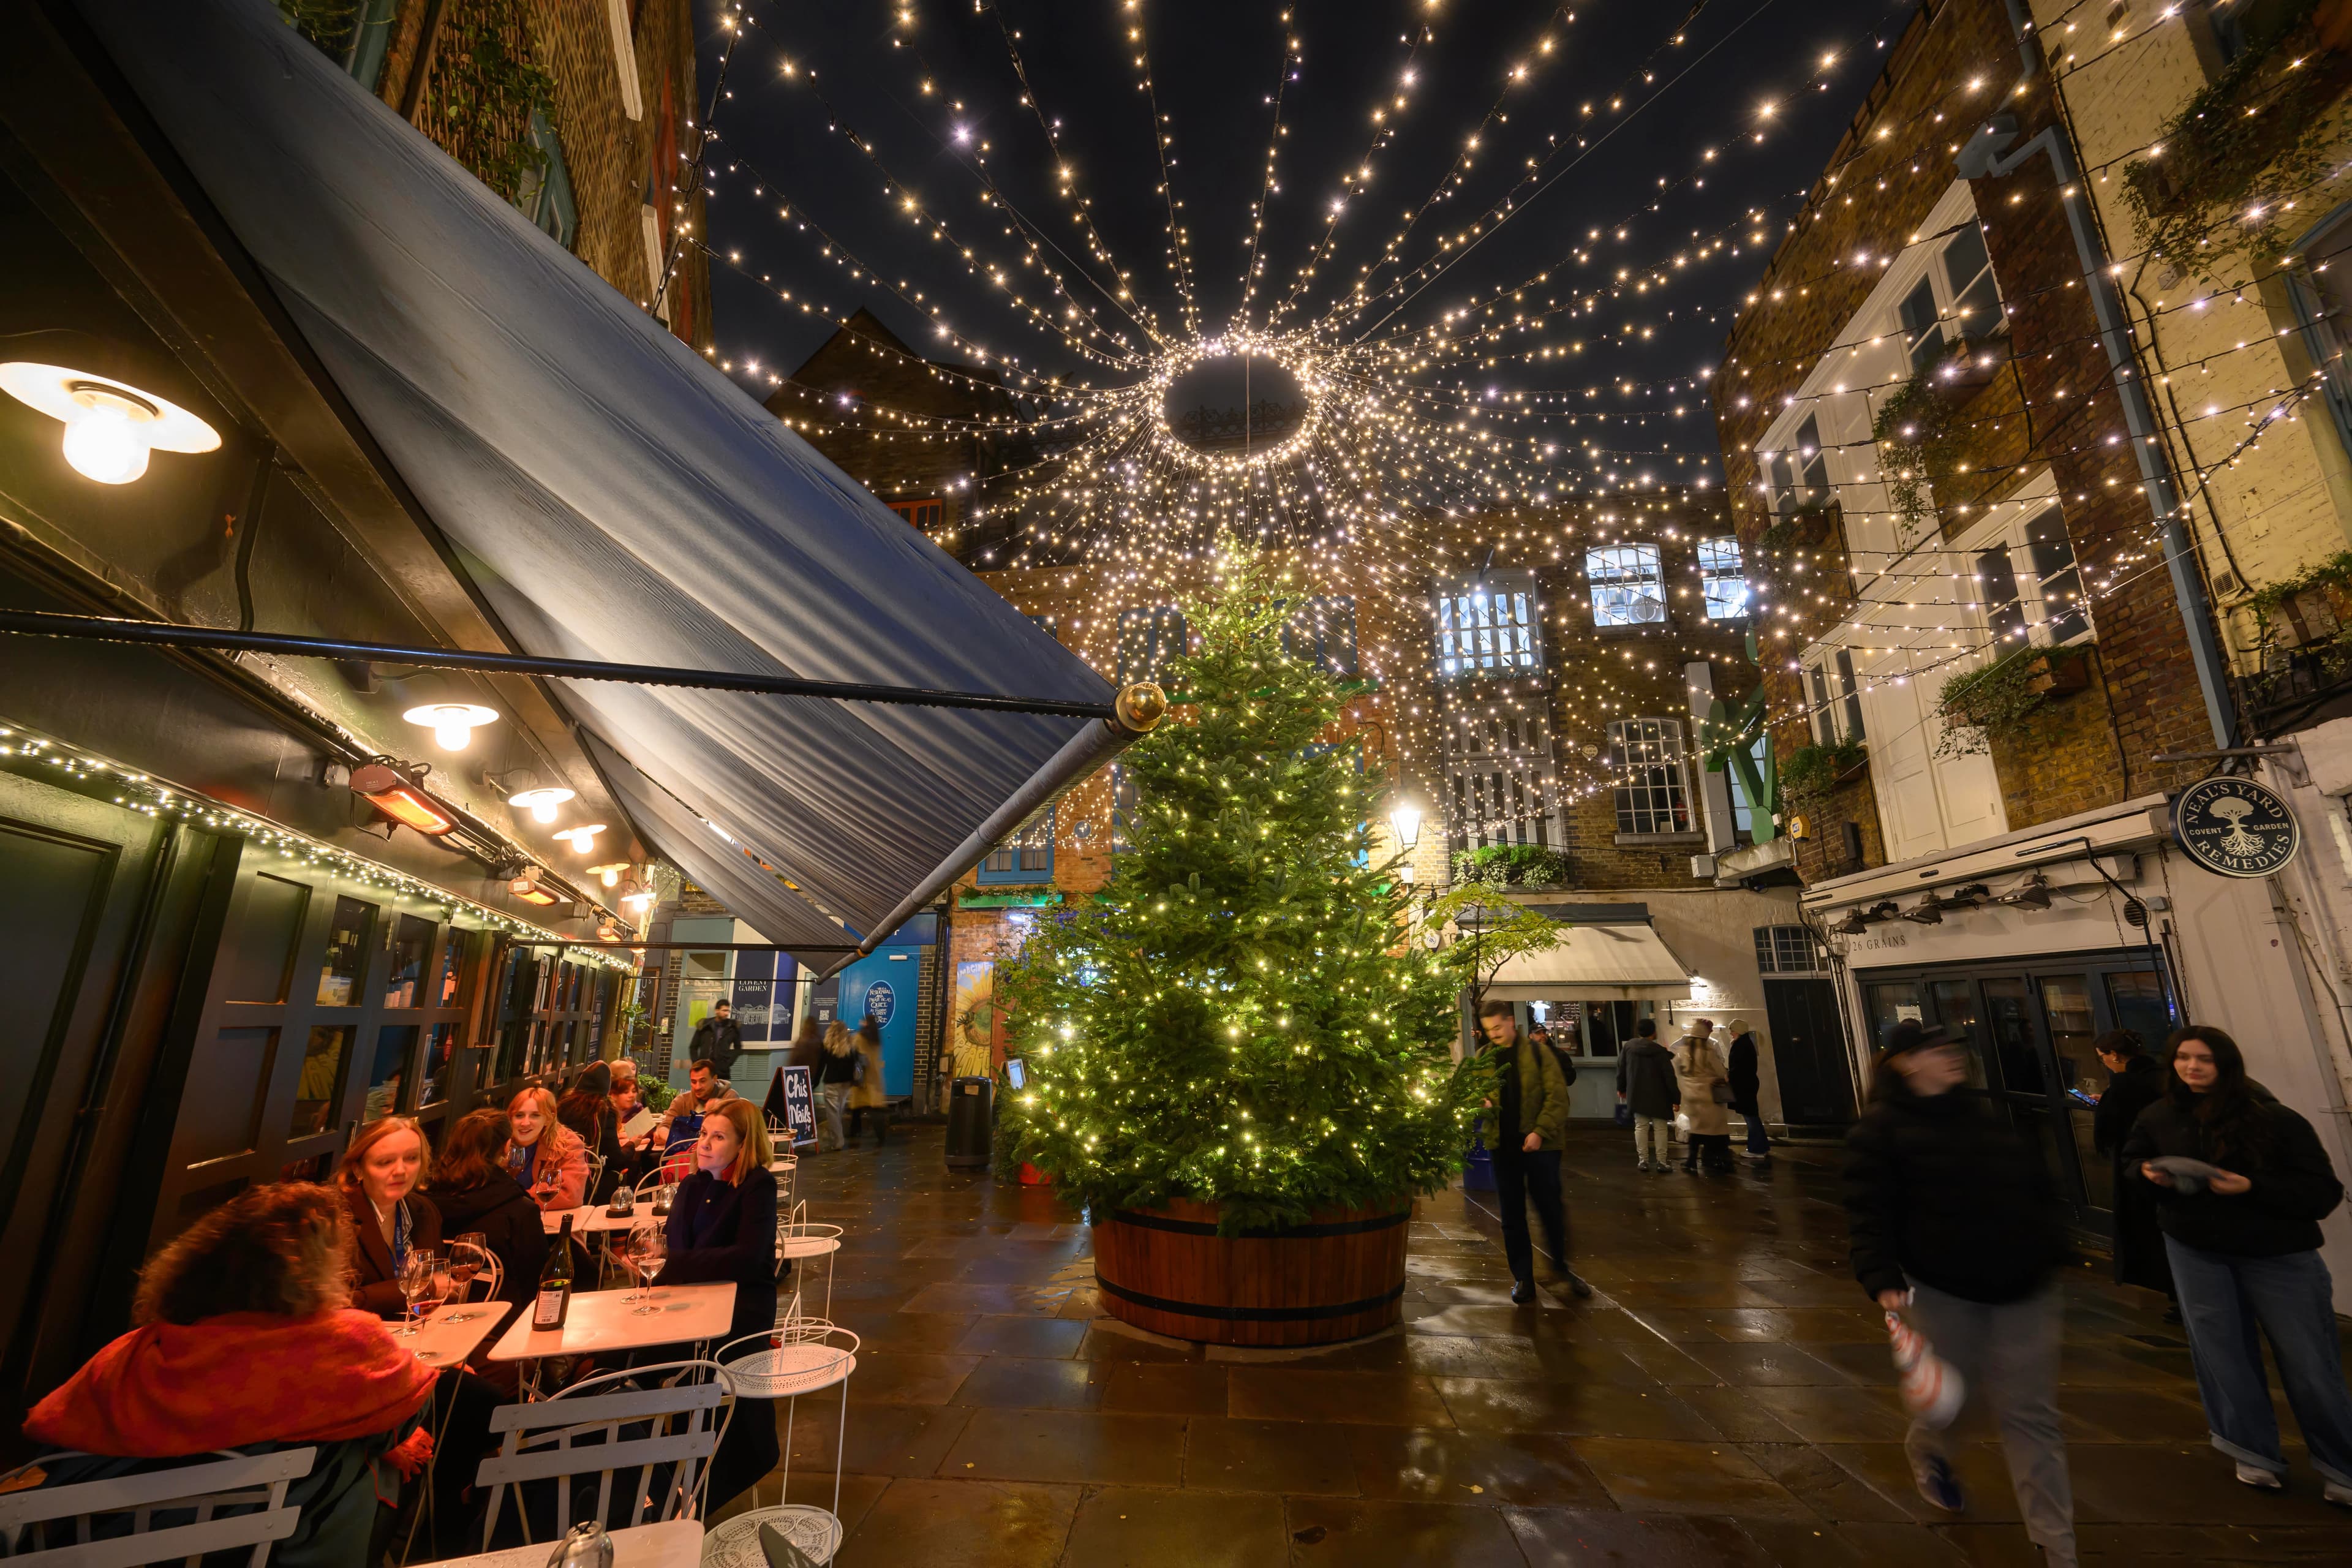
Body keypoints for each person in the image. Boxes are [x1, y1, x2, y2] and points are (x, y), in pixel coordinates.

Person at [22, 1184, 436, 1568]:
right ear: (317, 1268)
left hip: (98, 1542)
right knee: (370, 1458)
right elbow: (401, 1417)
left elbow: (54, 1429)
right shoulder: (343, 1341)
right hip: (270, 1544)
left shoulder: (138, 1349)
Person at [1845, 1021, 2076, 1566]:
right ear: (1906, 1063)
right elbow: (1868, 1212)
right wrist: (1881, 1278)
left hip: (2025, 1286)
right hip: (1943, 1288)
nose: (1953, 1057)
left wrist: (2050, 1247)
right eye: (1936, 1050)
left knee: (2031, 1415)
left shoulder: (1983, 1117)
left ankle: (2057, 1546)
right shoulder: (1879, 1131)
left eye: (1953, 1049)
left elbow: (2035, 1190)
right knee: (1954, 1402)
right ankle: (1929, 1448)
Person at [2122, 1026, 2352, 1504]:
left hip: (2279, 1256)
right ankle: (2252, 1452)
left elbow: (2322, 1192)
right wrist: (2147, 1173)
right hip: (2196, 1251)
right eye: (2183, 1058)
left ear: (2227, 1065)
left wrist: (2252, 1188)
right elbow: (2133, 1162)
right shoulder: (2158, 1115)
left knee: (2311, 1361)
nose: (2192, 1067)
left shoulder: (2276, 1119)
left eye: (2204, 1059)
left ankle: (2341, 1465)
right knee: (2221, 1353)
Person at [654, 1098, 780, 1512]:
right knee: (635, 1362)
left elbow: (746, 1258)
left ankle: (697, 1487)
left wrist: (680, 1264)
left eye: (718, 1136)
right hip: (690, 1305)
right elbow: (673, 1250)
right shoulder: (691, 1186)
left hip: (741, 1310)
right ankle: (655, 1476)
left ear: (743, 1146)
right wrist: (682, 1264)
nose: (704, 1144)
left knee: (699, 1369)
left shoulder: (756, 1186)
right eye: (704, 1134)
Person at [1474, 1000, 1592, 1303]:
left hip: (1542, 1146)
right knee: (1512, 1215)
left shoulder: (1539, 1054)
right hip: (1504, 1145)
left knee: (1550, 1208)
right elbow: (1472, 1094)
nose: (1494, 1035)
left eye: (1498, 1028)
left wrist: (1539, 1132)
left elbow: (1557, 1098)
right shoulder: (1483, 1058)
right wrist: (1480, 1104)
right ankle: (1523, 1278)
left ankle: (1562, 1269)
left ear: (1512, 1022)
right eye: (1488, 1030)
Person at [426, 1109, 549, 1307]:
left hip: (433, 1309)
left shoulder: (424, 1205)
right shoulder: (519, 1209)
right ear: (506, 1146)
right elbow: (537, 1278)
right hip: (502, 1316)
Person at [2090, 1028, 2174, 1312]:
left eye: (2103, 1057)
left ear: (2115, 1055)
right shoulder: (2163, 1075)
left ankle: (2171, 1290)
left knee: (2150, 1231)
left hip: (2140, 1168)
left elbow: (2108, 1133)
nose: (2104, 1062)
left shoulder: (2124, 1086)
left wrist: (2105, 1105)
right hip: (2171, 1161)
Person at [339, 1116, 443, 1321]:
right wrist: (417, 1288)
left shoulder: (424, 1210)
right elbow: (338, 1303)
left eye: (412, 1158)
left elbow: (439, 1281)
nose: (401, 1171)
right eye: (385, 1162)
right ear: (358, 1169)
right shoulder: (336, 1218)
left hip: (419, 1329)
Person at [503, 1085, 589, 1211]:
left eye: (535, 1116)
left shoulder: (568, 1145)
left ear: (548, 1119)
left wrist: (515, 1201)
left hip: (552, 1224)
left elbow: (570, 1194)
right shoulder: (499, 1143)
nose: (525, 1123)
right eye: (519, 1115)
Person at [1616, 1017, 1680, 1173]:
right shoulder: (1660, 1052)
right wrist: (1675, 1099)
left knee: (1641, 1127)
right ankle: (1662, 1162)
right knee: (1660, 1129)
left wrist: (1621, 1088)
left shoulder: (1629, 1048)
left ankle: (1643, 1160)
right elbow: (1669, 1077)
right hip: (1660, 1096)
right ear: (1654, 1032)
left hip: (1637, 1094)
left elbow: (1621, 1069)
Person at [1672, 1018, 1733, 1175]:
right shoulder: (1708, 1051)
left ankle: (1692, 1161)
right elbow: (1720, 1071)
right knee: (1717, 1131)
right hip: (1710, 1096)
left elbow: (1678, 1068)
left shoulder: (1684, 1051)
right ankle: (1724, 1161)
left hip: (1692, 1095)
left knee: (1697, 1131)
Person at [652, 1059, 739, 1168]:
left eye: (703, 1081)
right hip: (685, 1159)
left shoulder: (729, 1097)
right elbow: (664, 1127)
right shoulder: (682, 1100)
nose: (697, 1087)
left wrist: (719, 1107)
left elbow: (737, 1131)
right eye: (694, 1082)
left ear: (715, 1079)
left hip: (720, 1160)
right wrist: (672, 1138)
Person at [559, 1061, 624, 1202]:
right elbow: (615, 1158)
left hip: (561, 1173)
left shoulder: (564, 1104)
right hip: (591, 1184)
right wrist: (631, 1145)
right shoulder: (603, 1111)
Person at [1725, 1019, 1770, 1165]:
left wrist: (1728, 1076)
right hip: (1748, 1084)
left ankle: (1756, 1149)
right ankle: (1761, 1146)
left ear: (1739, 1030)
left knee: (1751, 1117)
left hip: (1744, 1086)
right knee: (1752, 1116)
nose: (1731, 1033)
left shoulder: (1741, 1045)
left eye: (1732, 1030)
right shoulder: (1745, 1043)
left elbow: (1738, 1068)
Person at [817, 1022, 859, 1152]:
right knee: (838, 1110)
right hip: (846, 1083)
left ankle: (838, 1140)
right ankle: (834, 1136)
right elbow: (855, 1063)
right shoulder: (851, 1045)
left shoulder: (828, 1046)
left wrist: (815, 1081)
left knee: (833, 1113)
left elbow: (821, 1065)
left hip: (832, 1083)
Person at [849, 1016, 891, 1146]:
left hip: (863, 1078)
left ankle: (855, 1132)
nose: (861, 1022)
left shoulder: (859, 1038)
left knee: (857, 1108)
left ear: (866, 1023)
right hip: (875, 1077)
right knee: (874, 1108)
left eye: (863, 1021)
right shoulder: (876, 1038)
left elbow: (855, 1053)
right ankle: (880, 1135)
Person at [688, 999, 745, 1087]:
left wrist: (728, 1062)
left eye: (728, 1011)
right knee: (704, 1094)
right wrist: (697, 1064)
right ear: (717, 1011)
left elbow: (738, 1048)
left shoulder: (733, 1027)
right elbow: (693, 1047)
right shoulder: (705, 1026)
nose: (726, 1013)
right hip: (704, 1069)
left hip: (722, 1070)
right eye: (724, 1010)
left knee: (721, 1097)